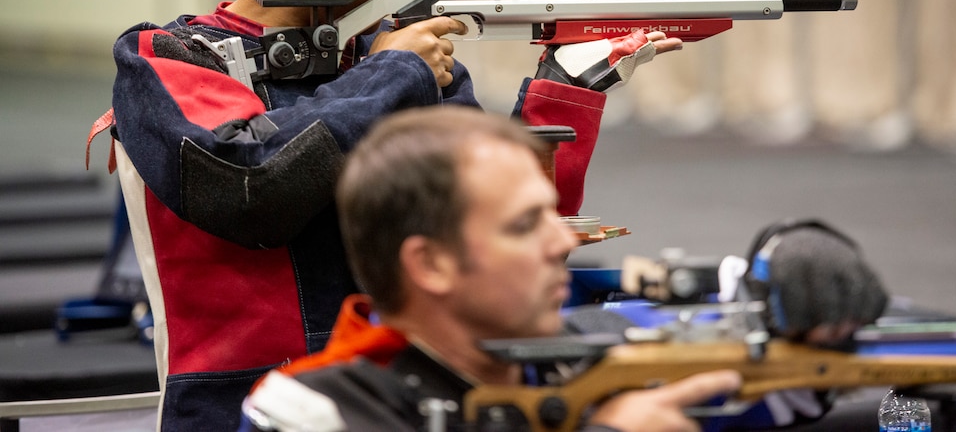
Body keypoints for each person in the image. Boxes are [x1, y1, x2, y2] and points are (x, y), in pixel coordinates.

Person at [93, 0, 678, 431]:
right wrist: (394, 71)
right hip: (237, 406)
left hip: (404, 398)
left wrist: (566, 87)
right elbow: (248, 186)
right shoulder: (167, 57)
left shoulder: (393, 59)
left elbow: (490, 235)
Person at [240, 105, 744, 432]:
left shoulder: (587, 346)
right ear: (431, 264)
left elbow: (764, 339)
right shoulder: (312, 412)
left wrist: (789, 268)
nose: (561, 240)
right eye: (525, 224)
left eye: (553, 213)